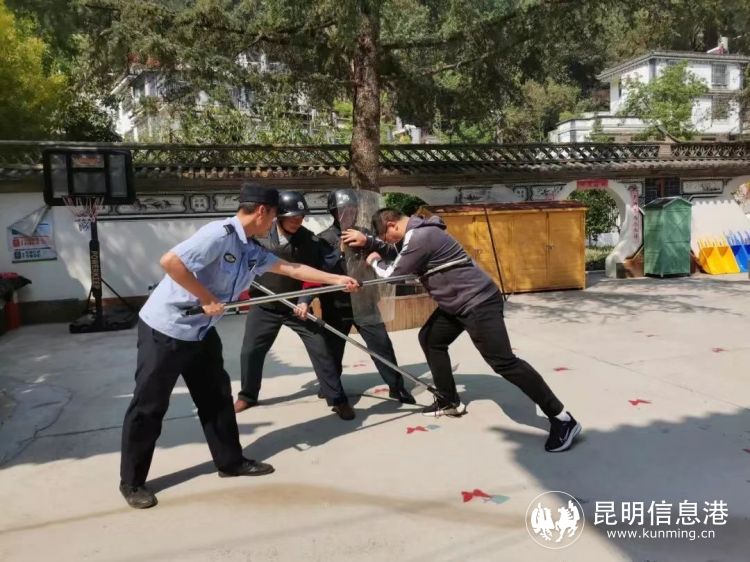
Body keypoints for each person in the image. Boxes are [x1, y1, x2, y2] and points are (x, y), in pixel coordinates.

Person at [119, 183, 359, 509]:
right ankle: (132, 482)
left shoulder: (250, 247)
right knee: (149, 406)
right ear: (262, 211)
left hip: (201, 331)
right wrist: (206, 298)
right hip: (166, 329)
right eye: (273, 215)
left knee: (216, 398)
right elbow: (171, 261)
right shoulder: (218, 234)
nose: (275, 221)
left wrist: (337, 280)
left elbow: (289, 267)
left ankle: (230, 461)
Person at [362, 207, 581, 453]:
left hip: (478, 302)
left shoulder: (420, 237)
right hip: (456, 304)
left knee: (504, 362)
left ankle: (563, 419)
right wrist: (369, 241)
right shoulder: (419, 233)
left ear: (391, 225)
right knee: (431, 338)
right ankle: (448, 400)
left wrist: (374, 260)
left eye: (385, 237)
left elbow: (393, 274)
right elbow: (398, 253)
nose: (388, 242)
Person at [235, 190, 357, 420]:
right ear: (279, 216)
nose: (297, 220)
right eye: (292, 216)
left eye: (301, 216)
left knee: (321, 348)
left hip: (295, 306)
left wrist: (304, 301)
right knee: (250, 351)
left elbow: (312, 275)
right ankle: (247, 396)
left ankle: (337, 398)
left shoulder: (309, 240)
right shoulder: (259, 236)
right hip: (265, 305)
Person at [317, 188, 415, 404]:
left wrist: (369, 243)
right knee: (332, 348)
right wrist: (339, 252)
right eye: (342, 209)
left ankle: (396, 387)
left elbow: (391, 252)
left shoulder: (365, 233)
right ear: (333, 212)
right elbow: (319, 271)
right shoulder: (323, 239)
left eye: (352, 208)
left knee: (382, 345)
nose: (348, 213)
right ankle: (330, 386)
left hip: (365, 301)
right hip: (337, 304)